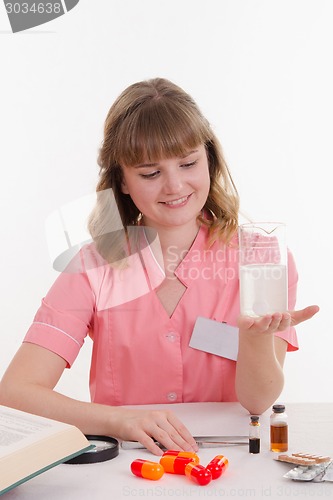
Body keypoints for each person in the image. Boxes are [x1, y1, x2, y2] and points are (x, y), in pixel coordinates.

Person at [0, 78, 319, 456]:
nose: (174, 186)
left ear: (210, 160)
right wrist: (120, 421)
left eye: (188, 163)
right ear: (121, 180)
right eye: (151, 173)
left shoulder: (263, 258)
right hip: (129, 465)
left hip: (230, 461)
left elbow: (258, 401)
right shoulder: (91, 266)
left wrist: (254, 341)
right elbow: (16, 394)